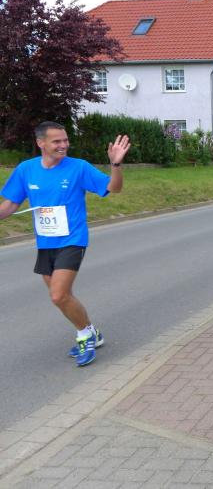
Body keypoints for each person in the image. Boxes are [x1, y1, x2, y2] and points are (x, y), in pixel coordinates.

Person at [0, 121, 130, 367]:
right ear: (41, 143)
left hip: (73, 239)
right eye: (57, 141)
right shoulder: (26, 169)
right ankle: (92, 331)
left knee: (58, 295)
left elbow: (114, 188)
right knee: (62, 297)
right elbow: (9, 205)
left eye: (66, 140)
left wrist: (115, 164)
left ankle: (84, 337)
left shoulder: (78, 167)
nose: (64, 145)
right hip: (45, 242)